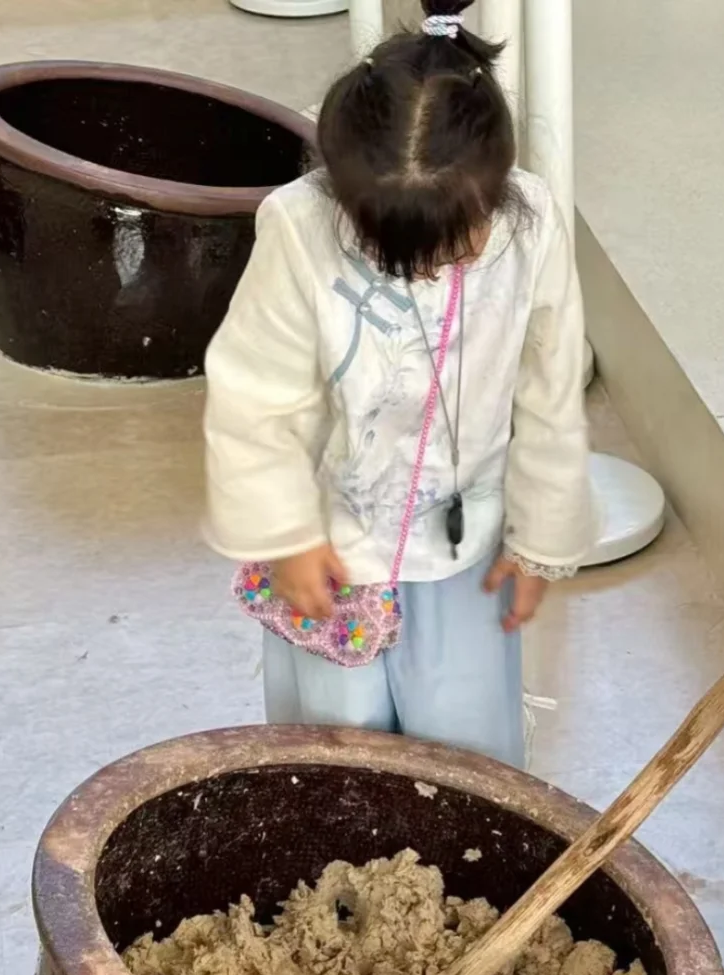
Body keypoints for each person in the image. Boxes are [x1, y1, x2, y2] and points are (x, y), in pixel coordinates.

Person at [203, 0, 591, 769]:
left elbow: (550, 389)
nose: (430, 269)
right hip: (333, 548)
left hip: (464, 542)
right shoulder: (298, 228)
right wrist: (286, 535)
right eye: (395, 250)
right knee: (338, 744)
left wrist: (541, 540)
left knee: (464, 740)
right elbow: (252, 394)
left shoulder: (535, 227)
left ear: (498, 185)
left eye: (455, 242)